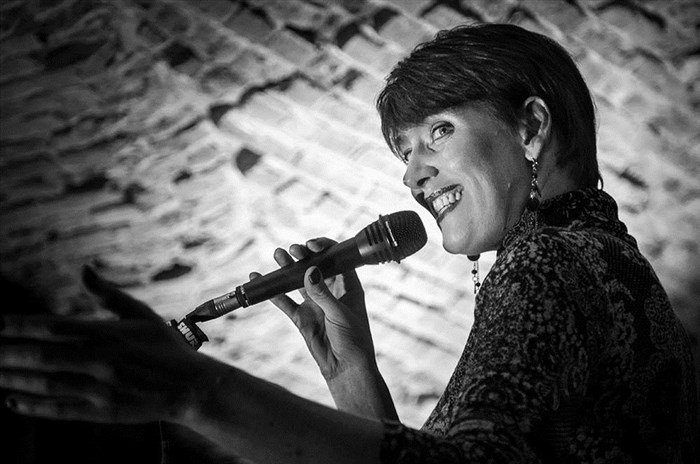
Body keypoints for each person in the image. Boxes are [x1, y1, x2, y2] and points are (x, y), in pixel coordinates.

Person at [0, 23, 696, 464]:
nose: (413, 175)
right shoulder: (604, 262)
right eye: (404, 151)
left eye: (439, 132)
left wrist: (196, 392)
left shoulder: (547, 262)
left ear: (531, 126)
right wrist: (352, 373)